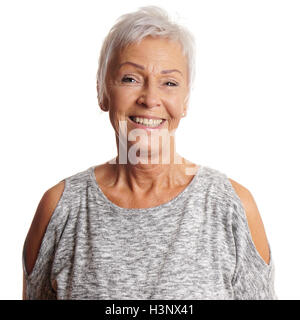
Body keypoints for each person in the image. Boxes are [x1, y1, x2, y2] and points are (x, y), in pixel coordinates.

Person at [22, 5, 277, 300]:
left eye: (169, 83)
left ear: (185, 102)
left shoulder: (232, 206)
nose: (150, 99)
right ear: (103, 92)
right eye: (130, 79)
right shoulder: (61, 208)